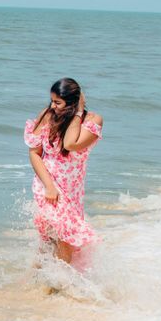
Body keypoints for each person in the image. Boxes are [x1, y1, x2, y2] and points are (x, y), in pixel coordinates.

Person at [24, 78, 103, 266]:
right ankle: (53, 286)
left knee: (58, 241)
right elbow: (34, 154)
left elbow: (70, 144)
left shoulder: (92, 121)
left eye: (58, 102)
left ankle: (46, 284)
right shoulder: (47, 115)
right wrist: (49, 187)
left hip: (72, 190)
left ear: (73, 102)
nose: (53, 106)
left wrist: (77, 113)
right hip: (46, 183)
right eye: (51, 100)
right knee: (58, 240)